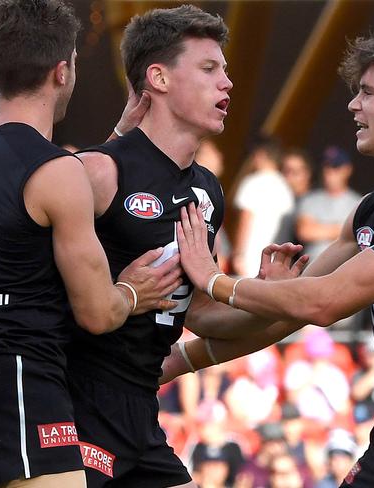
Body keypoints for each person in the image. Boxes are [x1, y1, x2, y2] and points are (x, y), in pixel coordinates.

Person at [169, 28, 374, 487]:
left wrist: (213, 279)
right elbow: (285, 316)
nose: (353, 105)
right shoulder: (370, 209)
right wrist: (179, 360)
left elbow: (322, 304)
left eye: (367, 93)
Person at [0, 1, 181, 488]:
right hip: (18, 382)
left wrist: (119, 135)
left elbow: (32, 197)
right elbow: (98, 314)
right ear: (63, 71)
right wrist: (131, 292)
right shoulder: (55, 171)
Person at [66, 5, 303, 487]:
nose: (228, 83)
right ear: (159, 78)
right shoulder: (99, 171)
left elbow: (198, 313)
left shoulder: (208, 190)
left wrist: (262, 297)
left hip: (141, 412)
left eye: (226, 70)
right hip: (75, 405)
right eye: (209, 68)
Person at [231, 138, 295, 276]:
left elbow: (245, 219)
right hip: (275, 259)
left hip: (250, 255)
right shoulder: (285, 188)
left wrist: (238, 254)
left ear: (261, 155)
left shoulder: (252, 182)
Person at [296, 146, 361, 263]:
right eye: (326, 167)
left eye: (335, 167)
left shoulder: (358, 202)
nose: (329, 172)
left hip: (342, 270)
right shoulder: (310, 199)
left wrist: (320, 228)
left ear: (347, 169)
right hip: (311, 269)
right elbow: (305, 231)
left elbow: (358, 238)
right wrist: (341, 230)